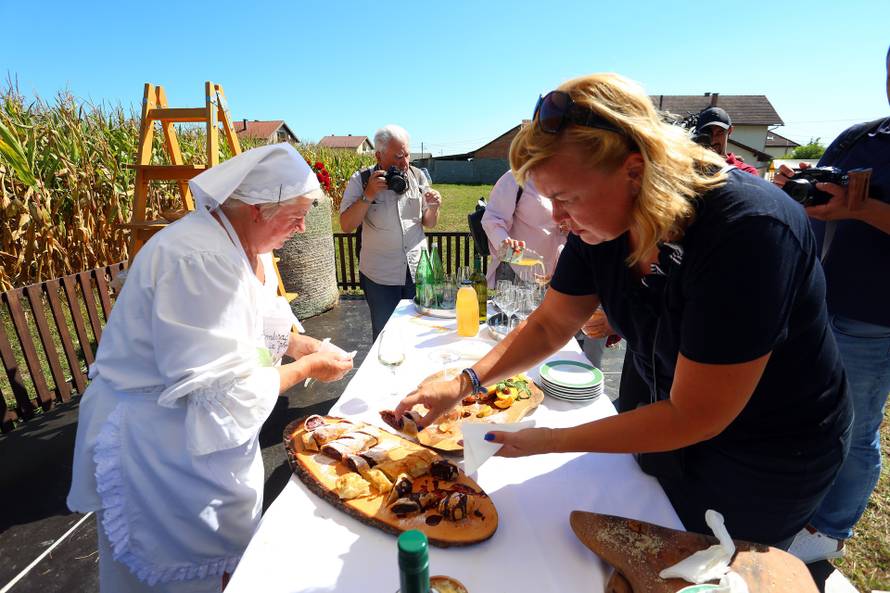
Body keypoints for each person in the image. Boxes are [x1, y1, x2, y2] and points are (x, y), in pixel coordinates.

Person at [395, 73, 852, 547]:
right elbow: (552, 323)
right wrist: (462, 384)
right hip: (661, 413)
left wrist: (550, 442)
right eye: (550, 200)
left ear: (636, 171)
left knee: (713, 565)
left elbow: (696, 415)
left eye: (567, 199)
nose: (558, 220)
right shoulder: (604, 223)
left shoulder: (749, 230)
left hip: (767, 450)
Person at [67, 143, 354, 592]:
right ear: (258, 209)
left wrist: (299, 344)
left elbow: (247, 324)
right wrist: (309, 367)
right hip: (160, 445)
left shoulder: (240, 245)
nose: (301, 229)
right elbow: (225, 392)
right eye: (296, 215)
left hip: (187, 435)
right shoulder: (199, 257)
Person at [775, 46, 890, 564]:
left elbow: (853, 207)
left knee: (854, 424)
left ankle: (830, 531)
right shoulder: (861, 136)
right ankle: (800, 505)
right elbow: (821, 198)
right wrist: (794, 190)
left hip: (876, 314)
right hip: (815, 298)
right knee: (806, 411)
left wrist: (862, 207)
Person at [339, 125, 442, 341]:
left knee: (419, 332)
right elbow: (346, 225)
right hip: (380, 276)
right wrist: (368, 195)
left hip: (417, 272)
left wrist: (433, 208)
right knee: (386, 336)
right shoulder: (362, 179)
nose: (404, 163)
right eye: (397, 157)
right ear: (378, 155)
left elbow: (429, 223)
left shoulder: (417, 176)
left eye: (406, 155)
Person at [481, 170, 567, 287]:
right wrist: (510, 252)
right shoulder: (516, 178)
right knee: (512, 305)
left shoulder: (566, 177)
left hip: (557, 272)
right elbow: (492, 220)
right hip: (516, 272)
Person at [694, 106, 759, 175]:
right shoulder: (690, 168)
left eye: (719, 132)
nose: (713, 140)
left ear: (730, 131)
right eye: (707, 134)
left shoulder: (746, 172)